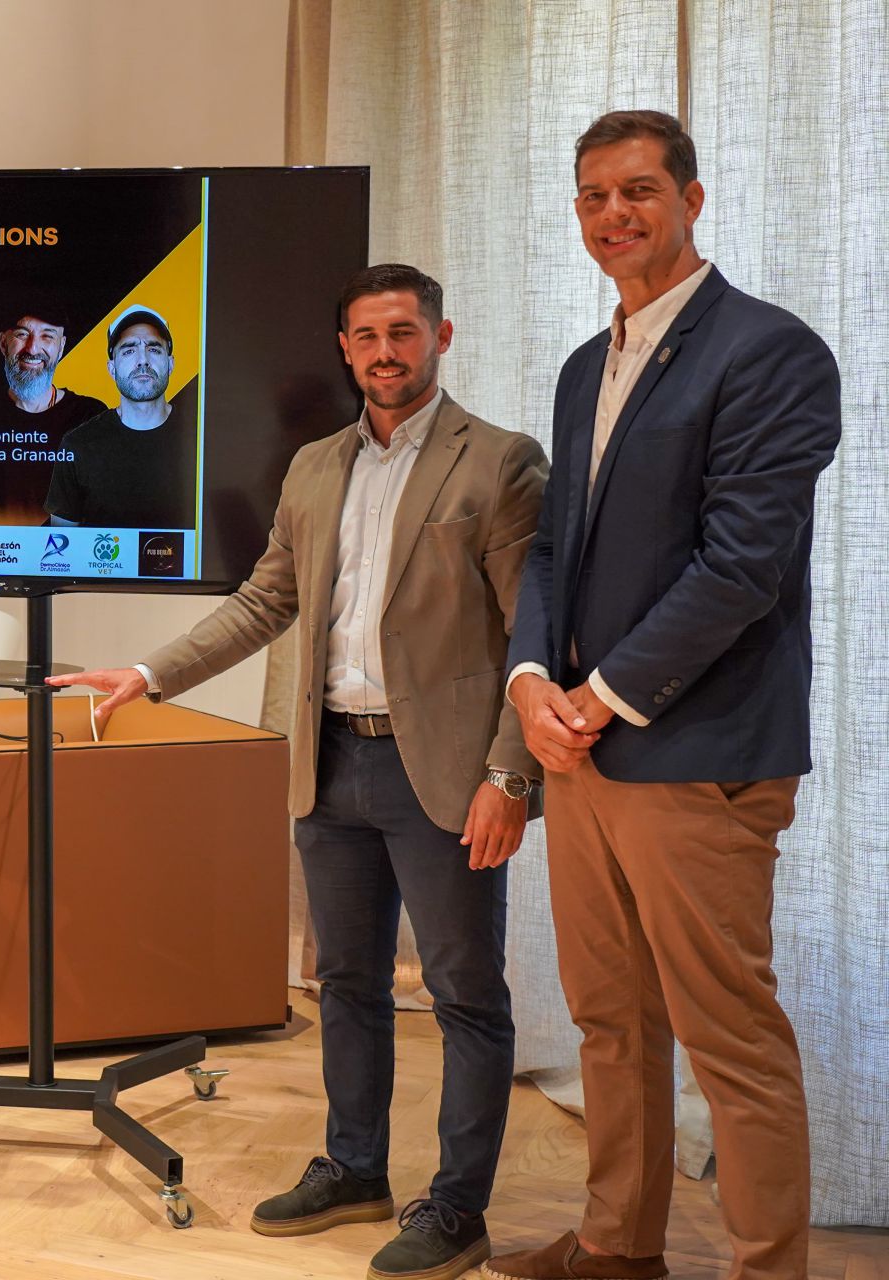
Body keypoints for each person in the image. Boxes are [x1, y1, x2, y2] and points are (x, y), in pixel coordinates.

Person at [51, 264, 546, 1280]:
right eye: (366, 336)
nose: (384, 352)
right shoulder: (316, 466)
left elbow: (530, 635)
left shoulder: (499, 460)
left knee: (464, 993)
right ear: (345, 349)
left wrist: (512, 776)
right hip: (331, 761)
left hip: (444, 775)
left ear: (441, 336)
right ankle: (355, 1168)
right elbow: (262, 601)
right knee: (344, 981)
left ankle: (458, 1208)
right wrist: (148, 672)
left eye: (402, 331)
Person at [486, 111, 841, 1280]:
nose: (614, 214)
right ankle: (615, 1245)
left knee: (729, 1037)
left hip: (699, 752)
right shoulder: (584, 365)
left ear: (692, 199)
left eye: (638, 190)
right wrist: (531, 681)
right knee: (609, 1019)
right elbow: (552, 551)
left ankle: (768, 1267)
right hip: (582, 753)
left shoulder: (771, 350)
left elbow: (742, 567)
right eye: (593, 196)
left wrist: (598, 696)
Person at [0, 301, 105, 525]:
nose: (32, 349)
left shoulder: (92, 417)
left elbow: (98, 514)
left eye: (47, 336)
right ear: (3, 343)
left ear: (61, 347)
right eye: (22, 334)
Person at [44, 305, 196, 529]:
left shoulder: (201, 439)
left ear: (171, 363)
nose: (142, 360)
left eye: (154, 349)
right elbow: (60, 543)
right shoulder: (78, 444)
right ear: (111, 368)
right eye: (128, 350)